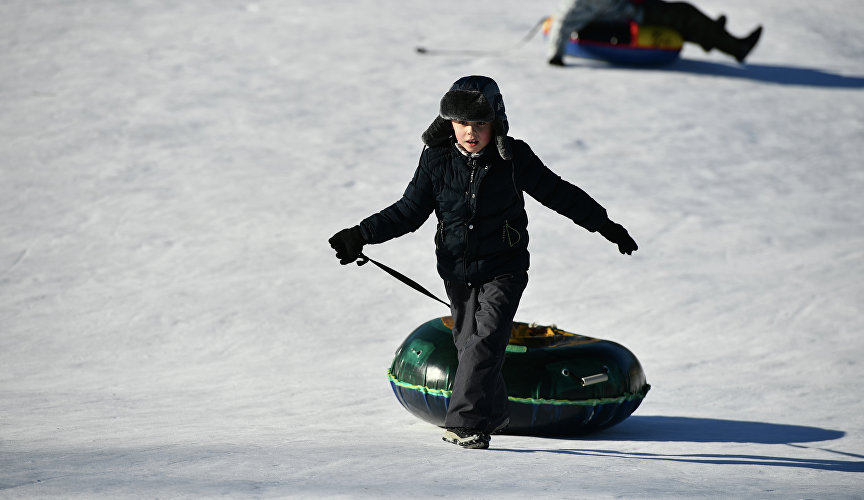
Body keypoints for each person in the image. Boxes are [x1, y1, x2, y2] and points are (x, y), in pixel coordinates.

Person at [328, 75, 638, 449]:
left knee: (485, 342)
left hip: (504, 267)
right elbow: (409, 211)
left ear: (496, 122)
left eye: (479, 123)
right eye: (461, 123)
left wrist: (605, 225)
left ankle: (466, 424)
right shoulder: (436, 158)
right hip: (456, 270)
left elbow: (560, 193)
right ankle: (495, 413)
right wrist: (359, 234)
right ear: (448, 123)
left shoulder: (514, 158)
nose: (470, 132)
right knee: (466, 344)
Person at [548, 0, 763, 66]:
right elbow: (563, 22)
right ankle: (734, 46)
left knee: (681, 13)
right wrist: (556, 55)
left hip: (630, 9)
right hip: (629, 19)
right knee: (684, 15)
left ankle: (710, 33)